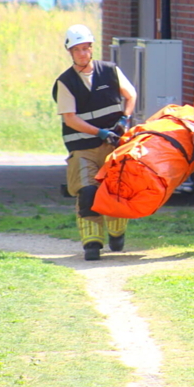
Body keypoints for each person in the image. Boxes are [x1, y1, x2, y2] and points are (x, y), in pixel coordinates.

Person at [53, 24, 137, 261]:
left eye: (85, 48)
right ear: (70, 52)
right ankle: (92, 244)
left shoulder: (110, 71)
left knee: (117, 190)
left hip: (114, 145)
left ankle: (117, 232)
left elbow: (130, 95)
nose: (82, 53)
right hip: (82, 149)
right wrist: (100, 132)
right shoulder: (65, 82)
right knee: (88, 191)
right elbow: (70, 119)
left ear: (92, 48)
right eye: (77, 49)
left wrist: (125, 119)